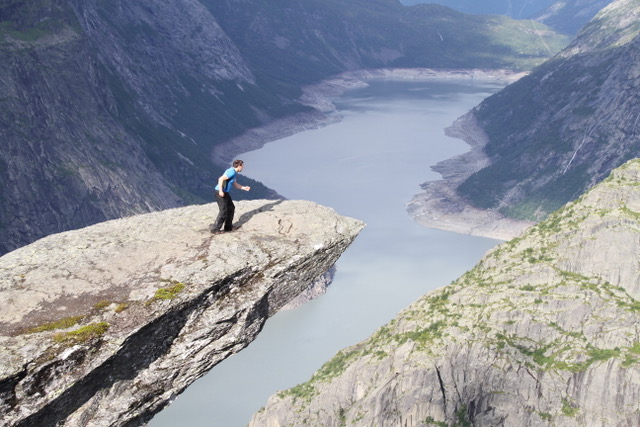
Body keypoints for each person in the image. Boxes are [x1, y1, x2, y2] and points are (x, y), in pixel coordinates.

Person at [210, 159, 251, 234]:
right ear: (239, 166)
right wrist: (221, 191)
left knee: (231, 208)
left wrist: (244, 188)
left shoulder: (234, 172)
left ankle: (228, 227)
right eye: (242, 166)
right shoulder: (231, 172)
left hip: (225, 193)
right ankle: (215, 229)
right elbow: (221, 179)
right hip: (220, 193)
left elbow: (234, 184)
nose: (243, 168)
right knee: (223, 211)